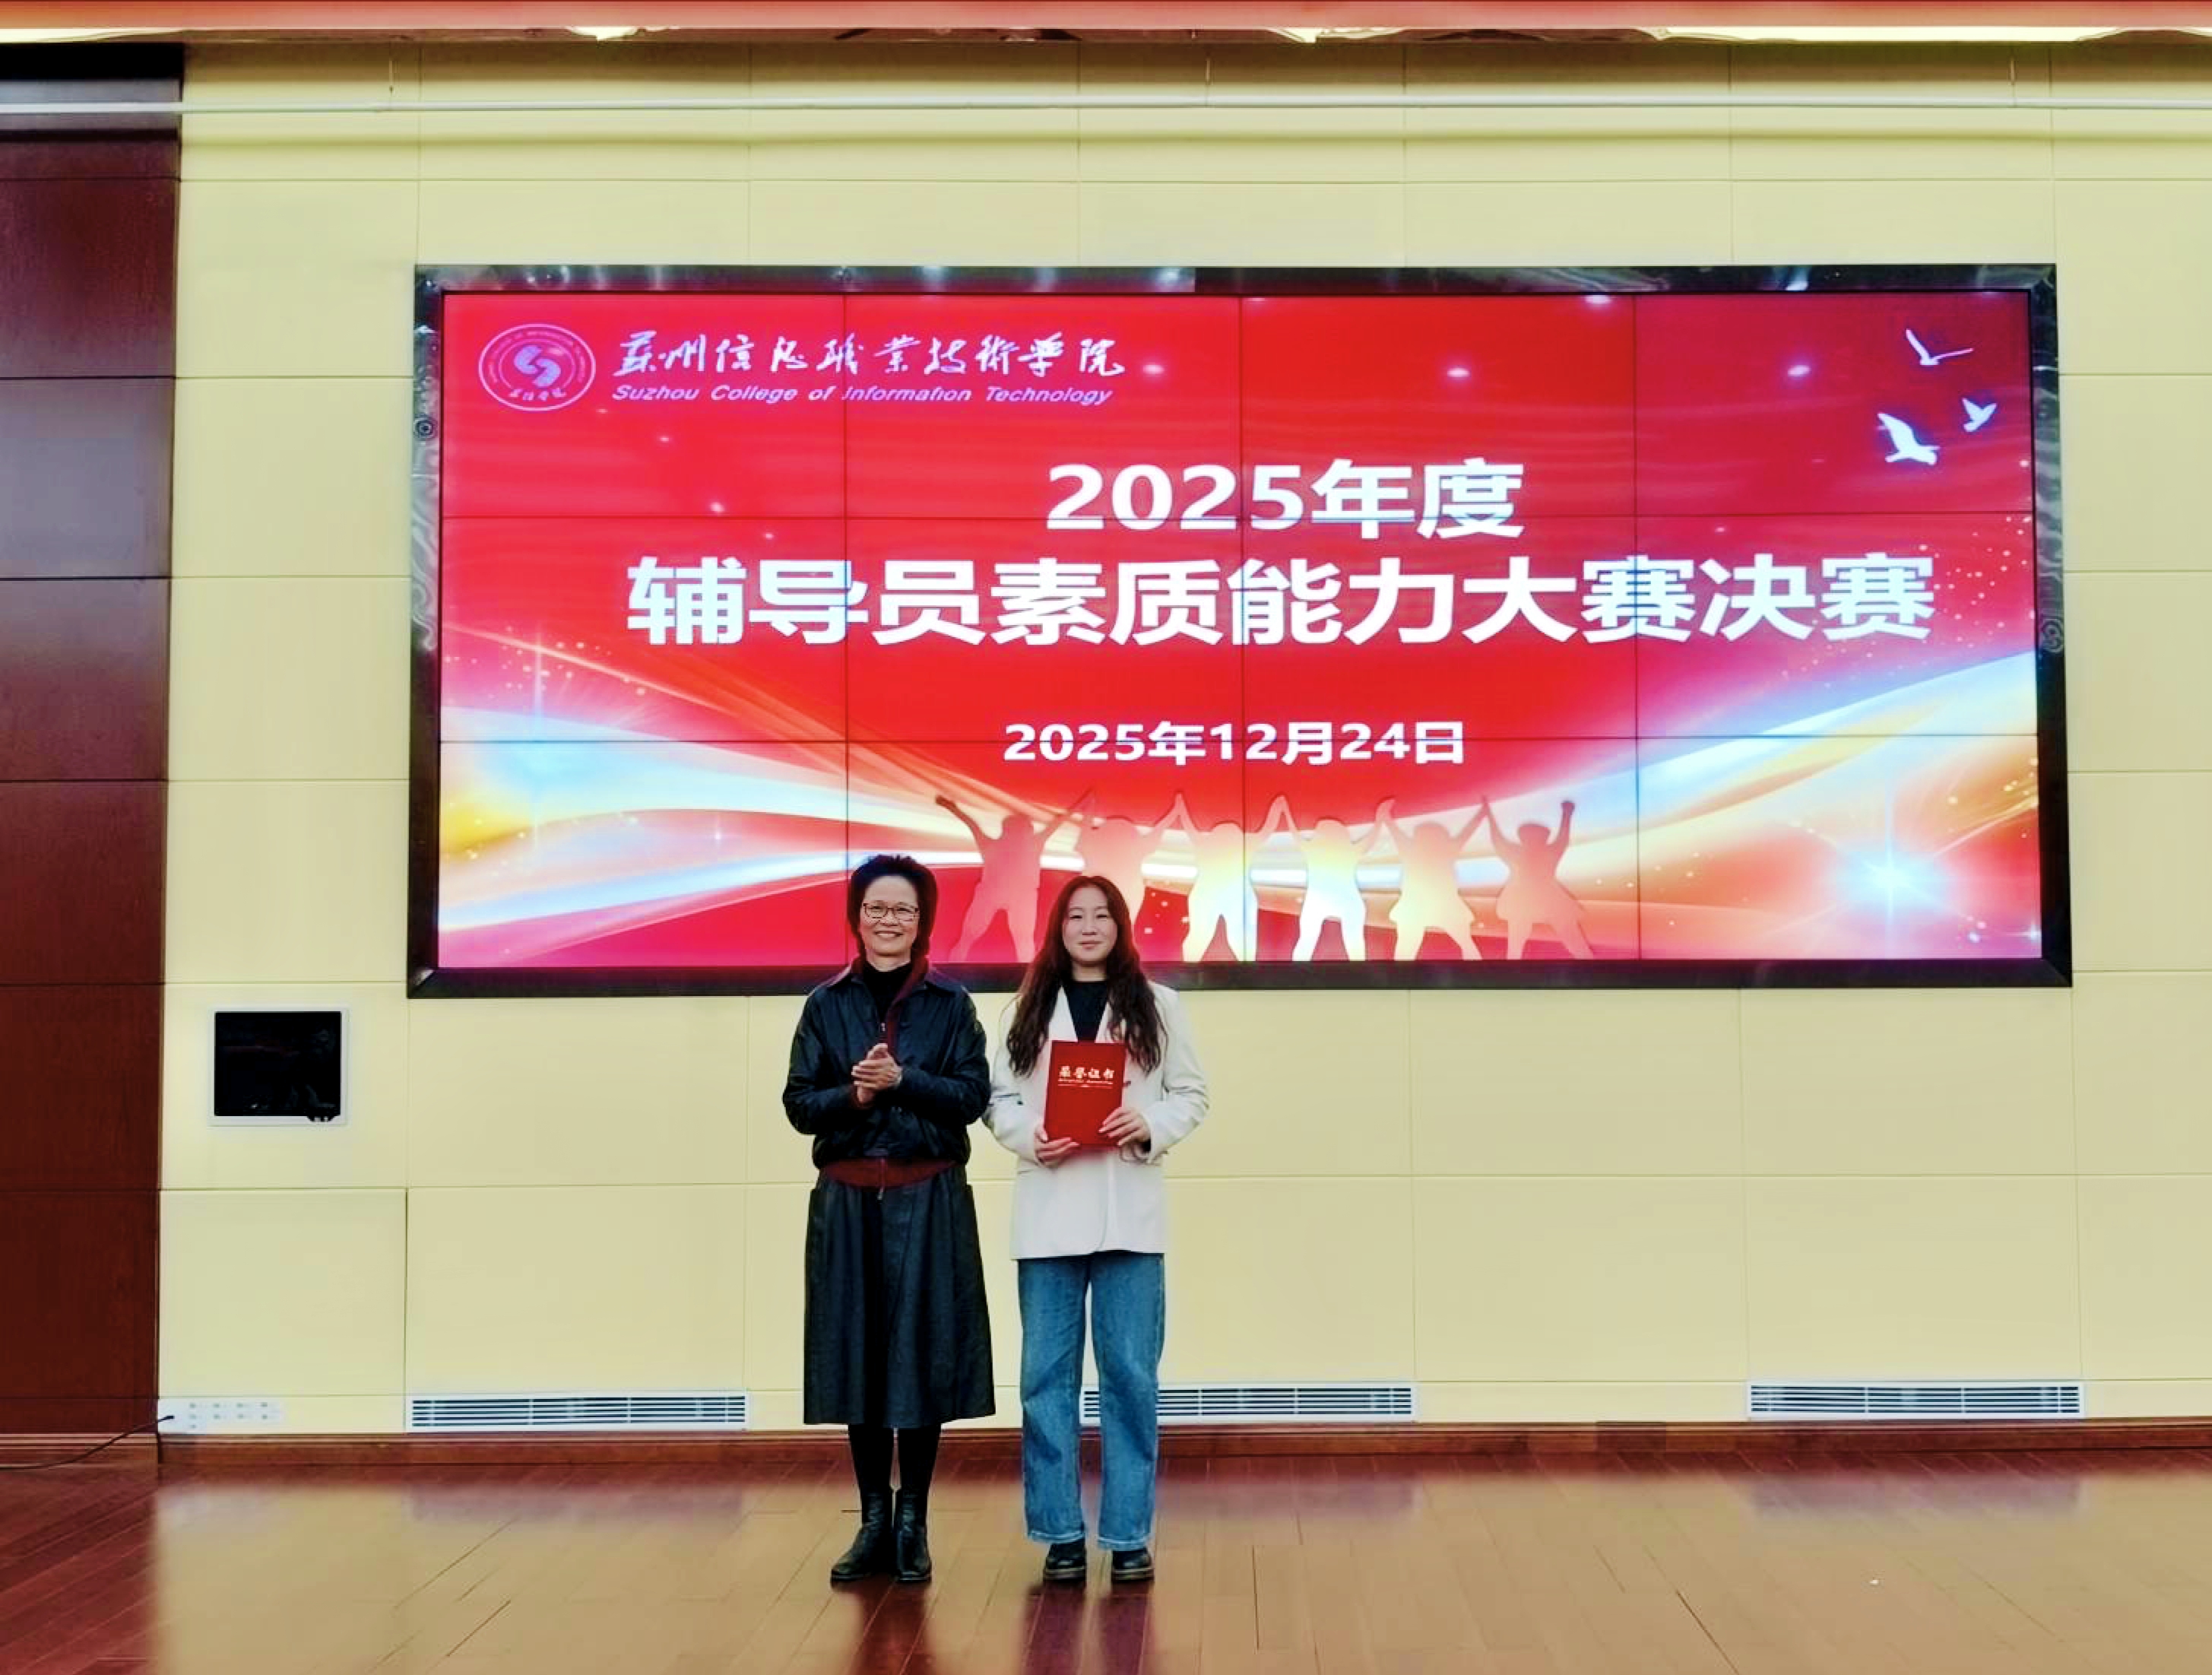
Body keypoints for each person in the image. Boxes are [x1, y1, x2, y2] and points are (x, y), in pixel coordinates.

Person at [987, 875, 1209, 1586]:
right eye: (1075, 916)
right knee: (1044, 1380)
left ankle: (1128, 1532)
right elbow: (998, 1100)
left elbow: (1191, 1094)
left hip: (1129, 1217)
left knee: (1132, 1378)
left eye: (1101, 915)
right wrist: (1031, 1134)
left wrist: (1149, 1124)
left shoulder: (1159, 1005)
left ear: (1120, 926)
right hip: (1048, 1213)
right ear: (1058, 928)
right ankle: (1059, 1532)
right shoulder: (1024, 1007)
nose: (1088, 926)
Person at [784, 855, 995, 1586]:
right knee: (857, 1357)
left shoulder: (951, 1003)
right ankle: (873, 1518)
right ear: (857, 916)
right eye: (877, 907)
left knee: (924, 1356)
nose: (889, 920)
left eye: (903, 909)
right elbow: (798, 1104)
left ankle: (914, 1521)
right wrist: (858, 1096)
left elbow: (972, 1096)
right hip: (846, 1199)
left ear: (922, 920)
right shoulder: (825, 1003)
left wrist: (903, 1081)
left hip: (927, 1195)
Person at [936, 788, 1092, 962]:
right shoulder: (1031, 843)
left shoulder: (1003, 844)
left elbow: (971, 824)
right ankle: (1026, 971)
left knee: (979, 937)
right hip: (1013, 895)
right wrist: (1080, 804)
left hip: (1005, 894)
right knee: (1016, 939)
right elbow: (1059, 822)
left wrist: (951, 807)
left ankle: (957, 965)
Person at [1482, 798, 1593, 959]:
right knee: (1517, 943)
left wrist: (1567, 815)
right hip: (1527, 900)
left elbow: (1497, 838)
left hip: (1539, 900)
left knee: (1571, 939)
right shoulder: (1535, 852)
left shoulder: (1543, 852)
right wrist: (1567, 814)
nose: (1535, 840)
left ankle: (1588, 962)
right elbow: (1497, 837)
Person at [1380, 797, 1487, 960]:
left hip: (1418, 907)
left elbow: (1394, 831)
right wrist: (1482, 812)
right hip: (1439, 906)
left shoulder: (1411, 851)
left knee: (1406, 948)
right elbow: (1468, 831)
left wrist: (1385, 815)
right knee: (1466, 944)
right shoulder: (1447, 850)